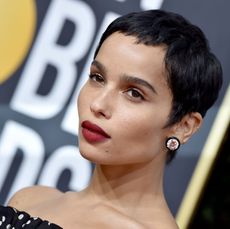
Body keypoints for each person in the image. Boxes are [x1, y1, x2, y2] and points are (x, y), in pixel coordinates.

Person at [0, 9, 222, 229]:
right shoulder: (28, 200)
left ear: (184, 126)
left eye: (134, 93)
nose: (98, 105)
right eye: (97, 78)